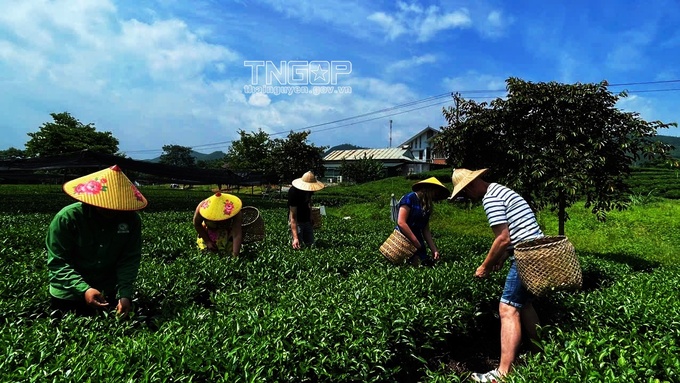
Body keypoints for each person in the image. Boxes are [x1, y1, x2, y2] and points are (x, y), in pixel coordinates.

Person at [448, 168, 544, 382]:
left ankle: (502, 373)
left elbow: (503, 238)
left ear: (470, 185)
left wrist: (485, 266)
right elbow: (515, 232)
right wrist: (500, 259)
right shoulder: (500, 190)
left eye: (465, 192)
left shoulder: (490, 198)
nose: (468, 196)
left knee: (507, 308)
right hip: (535, 250)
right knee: (524, 305)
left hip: (525, 255)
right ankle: (542, 352)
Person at [46, 165, 147, 318]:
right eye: (106, 205)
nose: (112, 211)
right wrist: (84, 289)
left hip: (106, 292)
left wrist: (125, 294)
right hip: (67, 293)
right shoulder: (67, 218)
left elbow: (129, 259)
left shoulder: (131, 220)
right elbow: (58, 262)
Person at [396, 177, 450, 266]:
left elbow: (425, 229)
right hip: (403, 238)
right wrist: (415, 242)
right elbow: (401, 222)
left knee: (422, 265)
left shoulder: (426, 205)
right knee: (405, 265)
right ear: (429, 190)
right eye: (435, 192)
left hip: (417, 239)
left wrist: (434, 249)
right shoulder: (409, 198)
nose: (435, 195)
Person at [194, 192, 243, 257]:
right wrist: (207, 241)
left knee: (228, 254)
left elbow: (237, 233)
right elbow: (197, 224)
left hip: (227, 235)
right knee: (207, 254)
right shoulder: (202, 207)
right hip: (208, 234)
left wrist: (235, 255)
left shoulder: (235, 210)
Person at [288, 171, 324, 249]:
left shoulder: (310, 190)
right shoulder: (293, 192)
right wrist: (295, 238)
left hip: (306, 218)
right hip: (297, 220)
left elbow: (309, 202)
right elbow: (293, 217)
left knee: (311, 244)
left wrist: (311, 215)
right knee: (298, 245)